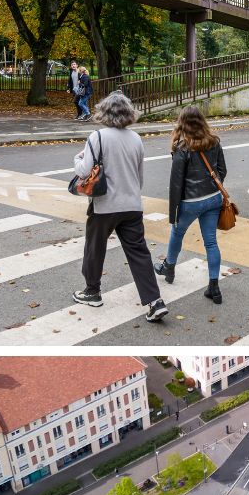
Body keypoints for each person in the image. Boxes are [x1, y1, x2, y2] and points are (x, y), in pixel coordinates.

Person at [73, 91, 169, 322]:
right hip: (132, 205)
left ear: (104, 112)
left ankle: (92, 291)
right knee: (139, 253)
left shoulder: (97, 137)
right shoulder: (136, 139)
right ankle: (154, 301)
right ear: (129, 113)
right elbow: (139, 176)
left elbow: (85, 171)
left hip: (105, 205)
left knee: (95, 248)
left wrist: (77, 159)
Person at [154, 105, 229, 305]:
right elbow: (222, 170)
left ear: (182, 123)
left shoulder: (182, 147)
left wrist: (174, 212)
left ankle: (169, 267)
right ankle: (214, 287)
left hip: (190, 202)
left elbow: (176, 183)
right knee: (211, 242)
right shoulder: (214, 142)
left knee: (177, 233)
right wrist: (212, 186)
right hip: (213, 198)